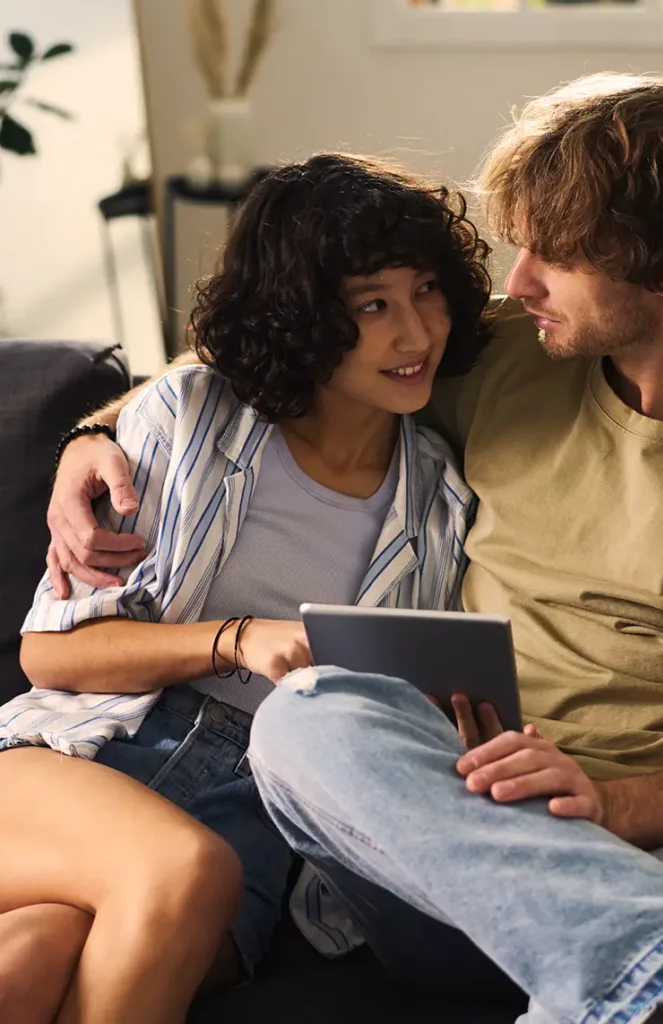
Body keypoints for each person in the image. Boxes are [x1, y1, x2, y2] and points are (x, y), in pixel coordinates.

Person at [38, 74, 663, 1024]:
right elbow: (280, 362)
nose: (519, 282)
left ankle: (660, 972)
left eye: (557, 256)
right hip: (459, 839)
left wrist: (607, 807)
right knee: (307, 713)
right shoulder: (518, 356)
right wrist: (91, 434)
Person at [0, 153, 491, 1024]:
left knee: (36, 952)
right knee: (182, 869)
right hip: (81, 759)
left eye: (426, 292)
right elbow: (50, 651)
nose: (415, 335)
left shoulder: (444, 503)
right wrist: (235, 639)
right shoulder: (192, 417)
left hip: (258, 823)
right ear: (303, 315)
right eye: (373, 305)